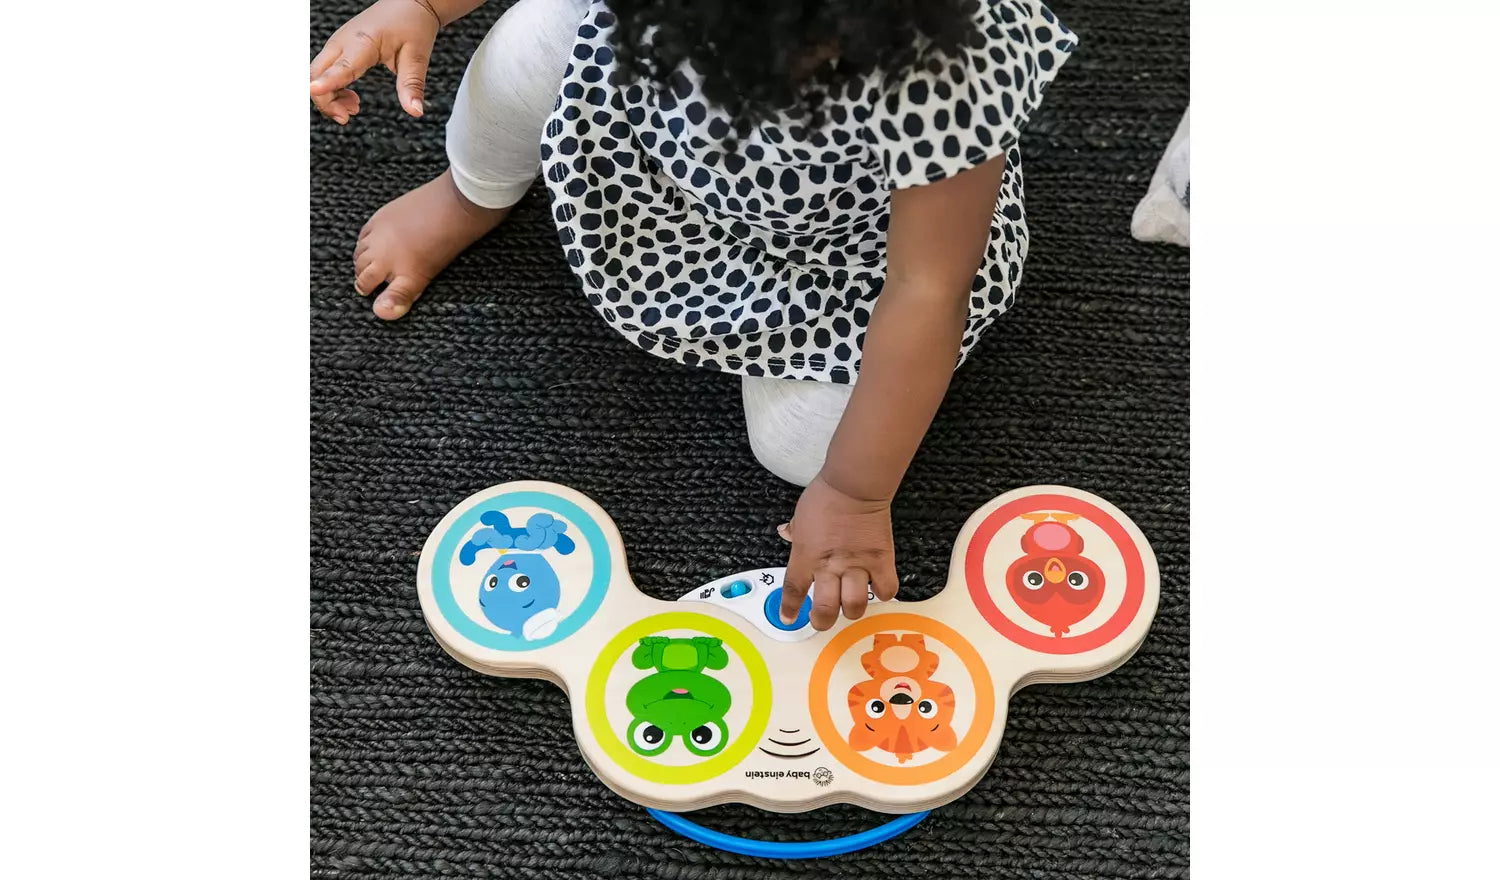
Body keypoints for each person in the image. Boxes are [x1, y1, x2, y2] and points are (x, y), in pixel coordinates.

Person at [310, 0, 1077, 630]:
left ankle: (808, 414)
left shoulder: (947, 61)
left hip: (846, 264)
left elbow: (926, 287)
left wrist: (853, 492)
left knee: (807, 450)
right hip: (661, 151)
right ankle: (471, 192)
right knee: (528, 45)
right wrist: (422, 8)